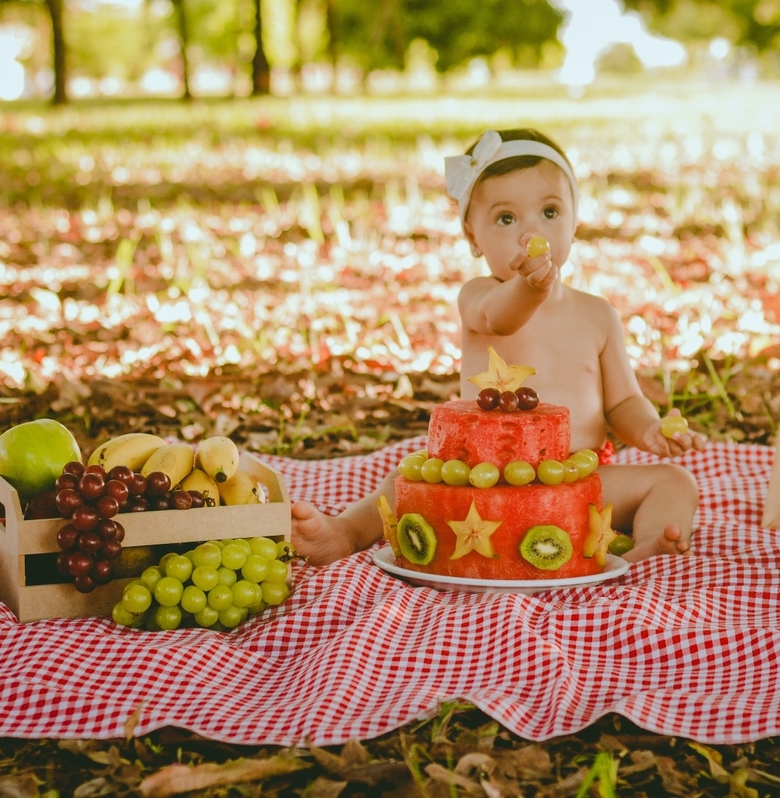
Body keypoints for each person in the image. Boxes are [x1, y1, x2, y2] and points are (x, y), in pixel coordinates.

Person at [290, 128, 706, 565]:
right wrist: (529, 286)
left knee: (675, 482)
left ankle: (652, 544)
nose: (531, 232)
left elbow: (623, 401)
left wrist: (649, 431)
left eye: (549, 212)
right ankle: (345, 532)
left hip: (578, 480)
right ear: (473, 237)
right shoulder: (479, 297)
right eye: (506, 219)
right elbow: (500, 317)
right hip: (480, 482)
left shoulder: (597, 315)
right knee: (403, 482)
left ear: (574, 222)